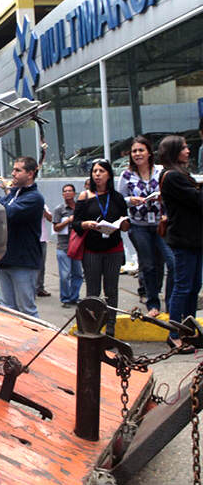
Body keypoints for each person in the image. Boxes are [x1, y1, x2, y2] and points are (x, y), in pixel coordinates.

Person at [117, 136, 174, 318]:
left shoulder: (161, 171)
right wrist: (129, 201)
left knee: (170, 263)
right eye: (134, 151)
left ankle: (172, 301)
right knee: (148, 265)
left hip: (160, 224)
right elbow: (119, 200)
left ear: (149, 152)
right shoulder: (126, 175)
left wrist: (162, 198)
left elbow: (172, 194)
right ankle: (152, 303)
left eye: (141, 150)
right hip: (139, 226)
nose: (138, 154)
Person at [72, 159, 130, 336]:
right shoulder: (84, 196)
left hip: (113, 249)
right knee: (93, 291)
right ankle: (93, 326)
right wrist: (86, 224)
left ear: (109, 175)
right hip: (92, 250)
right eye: (95, 171)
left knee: (111, 290)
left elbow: (126, 223)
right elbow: (75, 223)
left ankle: (110, 327)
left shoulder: (117, 197)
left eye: (101, 171)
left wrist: (122, 224)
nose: (97, 174)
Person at [157, 135, 202, 348]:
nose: (188, 151)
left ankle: (189, 330)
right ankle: (174, 333)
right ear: (175, 152)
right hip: (184, 239)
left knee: (194, 286)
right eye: (184, 148)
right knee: (183, 287)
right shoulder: (172, 176)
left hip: (194, 238)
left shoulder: (182, 174)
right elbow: (197, 200)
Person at [0, 157, 44, 317]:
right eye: (13, 169)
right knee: (7, 308)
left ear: (30, 174)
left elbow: (7, 212)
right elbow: (2, 205)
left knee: (27, 310)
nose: (12, 173)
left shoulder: (34, 198)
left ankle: (36, 341)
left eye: (17, 170)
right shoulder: (15, 194)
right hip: (6, 259)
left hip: (23, 262)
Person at [53, 184, 83, 308]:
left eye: (70, 191)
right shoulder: (59, 209)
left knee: (78, 274)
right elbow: (55, 227)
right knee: (65, 275)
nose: (67, 193)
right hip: (63, 246)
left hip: (77, 245)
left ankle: (74, 297)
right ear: (62, 194)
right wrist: (67, 221)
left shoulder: (80, 208)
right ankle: (65, 298)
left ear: (74, 193)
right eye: (65, 191)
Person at [36, 205, 52, 297]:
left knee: (41, 265)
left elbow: (50, 218)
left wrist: (43, 210)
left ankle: (39, 288)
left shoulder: (42, 204)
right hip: (30, 239)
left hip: (42, 239)